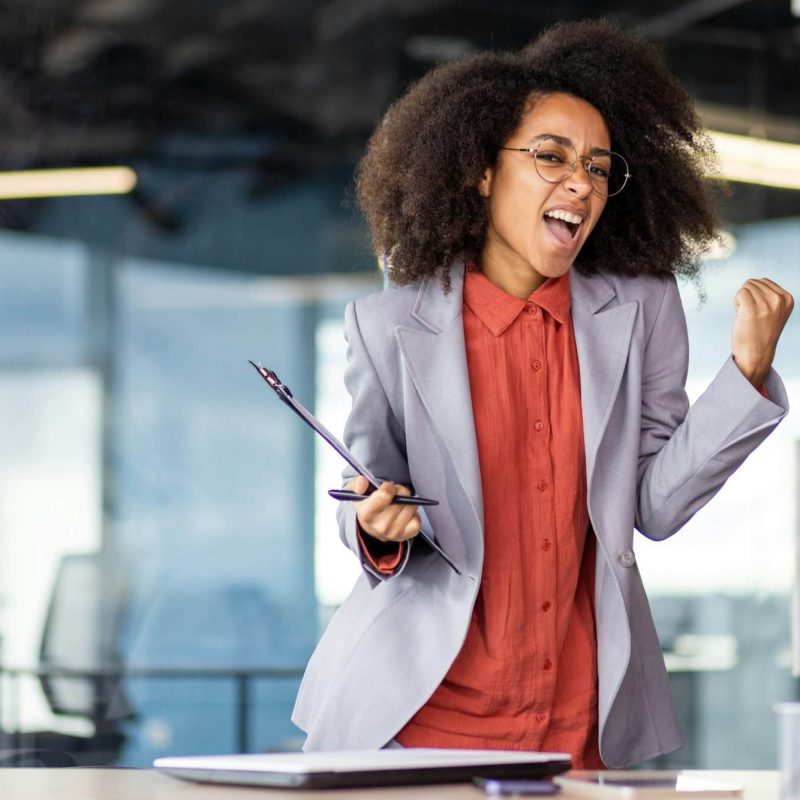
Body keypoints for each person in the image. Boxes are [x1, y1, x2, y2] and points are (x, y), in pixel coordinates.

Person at [291, 19, 793, 768]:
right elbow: (361, 494)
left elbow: (652, 508)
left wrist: (745, 377)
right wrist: (374, 527)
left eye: (598, 166)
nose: (580, 183)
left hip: (577, 720)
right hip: (418, 716)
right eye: (550, 156)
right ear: (481, 172)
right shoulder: (388, 326)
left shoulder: (642, 309)